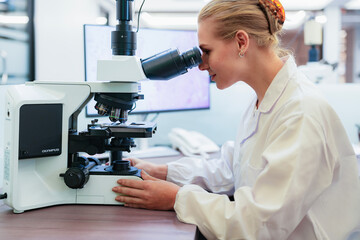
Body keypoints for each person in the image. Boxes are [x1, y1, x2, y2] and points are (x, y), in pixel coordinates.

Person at [112, 0, 360, 239]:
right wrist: (164, 172)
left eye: (207, 51)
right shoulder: (266, 99)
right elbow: (233, 169)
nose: (201, 65)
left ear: (241, 42)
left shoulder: (301, 114)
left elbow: (257, 226)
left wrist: (176, 198)